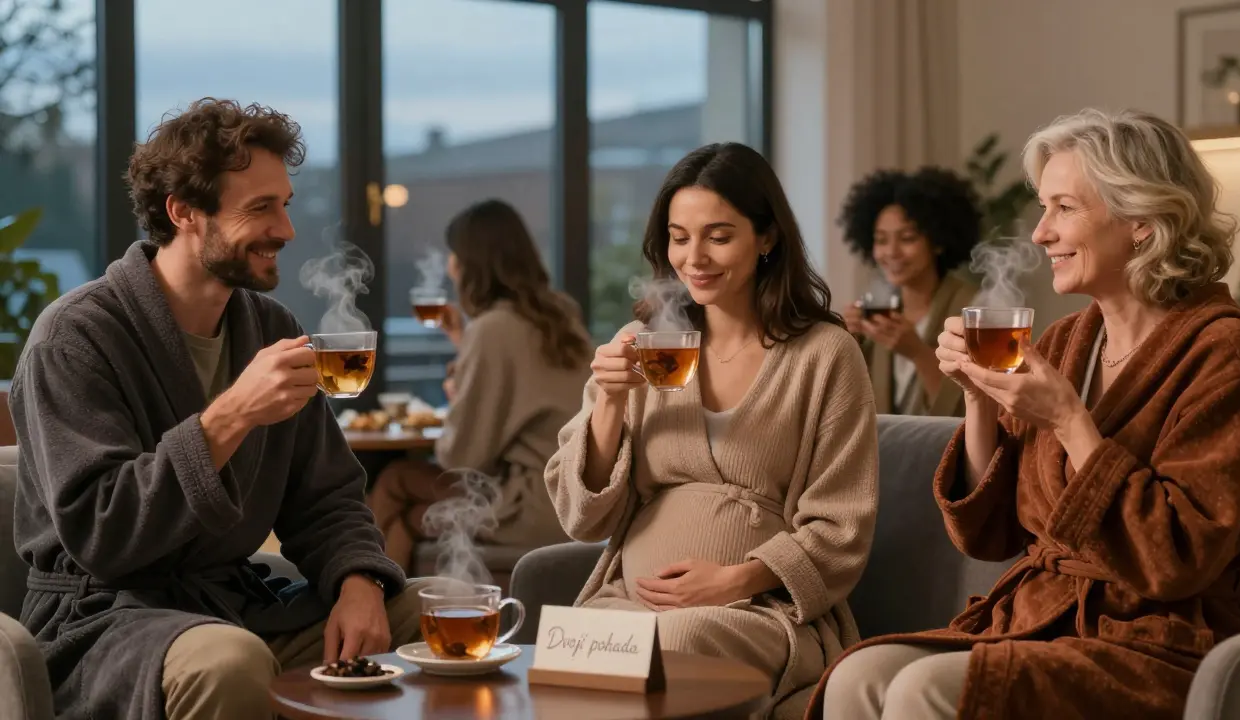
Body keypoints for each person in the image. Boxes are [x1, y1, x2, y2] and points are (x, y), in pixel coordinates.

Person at [810, 108, 1240, 720]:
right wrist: (978, 395)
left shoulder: (1223, 352)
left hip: (1161, 639)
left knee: (920, 690)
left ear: (1140, 220)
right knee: (858, 675)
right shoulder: (1065, 342)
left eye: (1064, 207)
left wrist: (1069, 421)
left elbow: (1178, 559)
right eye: (1042, 207)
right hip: (1042, 614)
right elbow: (991, 531)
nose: (1039, 233)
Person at [9, 98, 427, 720]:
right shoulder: (75, 337)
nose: (285, 230)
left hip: (233, 602)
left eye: (284, 204)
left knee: (427, 608)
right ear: (183, 213)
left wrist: (358, 580)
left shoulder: (267, 326)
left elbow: (326, 496)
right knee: (229, 663)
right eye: (260, 208)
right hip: (107, 620)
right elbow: (104, 532)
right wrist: (229, 416)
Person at [545, 142, 879, 720]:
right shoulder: (645, 342)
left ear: (766, 237)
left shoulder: (825, 354)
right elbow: (583, 518)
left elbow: (843, 526)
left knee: (672, 649)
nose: (694, 257)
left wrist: (734, 581)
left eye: (718, 236)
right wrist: (609, 405)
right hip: (631, 603)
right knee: (563, 654)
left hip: (759, 614)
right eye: (679, 236)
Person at [367, 199, 590, 571]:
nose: (450, 266)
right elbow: (516, 387)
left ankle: (369, 600)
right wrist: (462, 338)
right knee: (409, 519)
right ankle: (385, 604)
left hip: (530, 504)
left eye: (453, 255)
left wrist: (467, 352)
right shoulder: (560, 312)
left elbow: (460, 459)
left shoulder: (493, 329)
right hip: (572, 495)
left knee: (393, 481)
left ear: (469, 264)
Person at [838, 167, 983, 416]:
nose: (891, 252)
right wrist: (846, 343)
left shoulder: (973, 306)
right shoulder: (879, 312)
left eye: (906, 238)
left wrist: (917, 352)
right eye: (881, 240)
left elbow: (976, 405)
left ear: (937, 241)